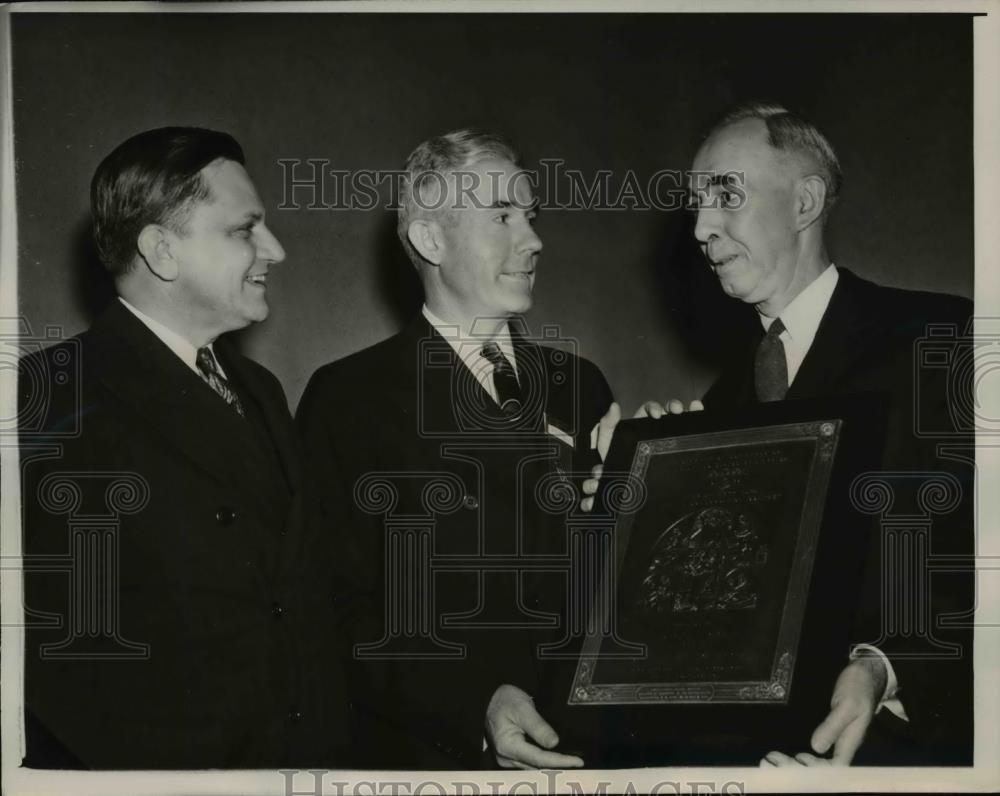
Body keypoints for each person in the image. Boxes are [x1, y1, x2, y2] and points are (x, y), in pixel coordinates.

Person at [589, 102, 974, 766]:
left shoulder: (941, 341)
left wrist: (884, 666)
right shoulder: (719, 405)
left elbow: (979, 559)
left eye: (727, 194)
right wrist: (628, 504)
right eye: (695, 205)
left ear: (805, 202)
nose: (703, 227)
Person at [19, 127, 351, 769]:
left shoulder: (261, 390)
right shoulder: (47, 399)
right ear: (161, 251)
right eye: (244, 230)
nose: (275, 250)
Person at [296, 129, 614, 769]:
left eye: (530, 216)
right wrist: (473, 703)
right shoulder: (349, 397)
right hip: (440, 758)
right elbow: (335, 609)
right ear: (430, 240)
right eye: (501, 216)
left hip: (588, 748)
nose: (533, 240)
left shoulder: (580, 385)